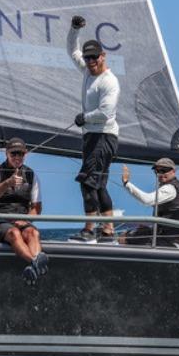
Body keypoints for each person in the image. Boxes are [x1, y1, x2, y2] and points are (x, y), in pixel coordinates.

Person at [67, 15, 121, 243]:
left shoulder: (109, 82)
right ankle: (108, 231)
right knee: (98, 185)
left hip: (104, 136)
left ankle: (89, 230)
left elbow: (106, 113)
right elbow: (72, 51)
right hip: (92, 136)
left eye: (94, 57)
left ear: (103, 56)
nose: (90, 61)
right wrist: (74, 29)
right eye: (88, 57)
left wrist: (84, 118)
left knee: (88, 181)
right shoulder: (88, 72)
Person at [0, 138, 48, 284]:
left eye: (21, 153)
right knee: (14, 233)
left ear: (25, 154)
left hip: (20, 220)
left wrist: (25, 220)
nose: (17, 157)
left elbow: (37, 207)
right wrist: (7, 183)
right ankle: (35, 263)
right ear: (7, 154)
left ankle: (33, 269)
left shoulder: (31, 175)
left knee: (33, 232)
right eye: (14, 153)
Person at [120, 158, 179, 247]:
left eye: (164, 170)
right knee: (135, 233)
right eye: (157, 171)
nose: (160, 174)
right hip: (172, 238)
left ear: (173, 171)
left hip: (170, 242)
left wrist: (126, 183)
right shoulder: (176, 187)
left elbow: (146, 200)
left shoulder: (170, 188)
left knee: (124, 238)